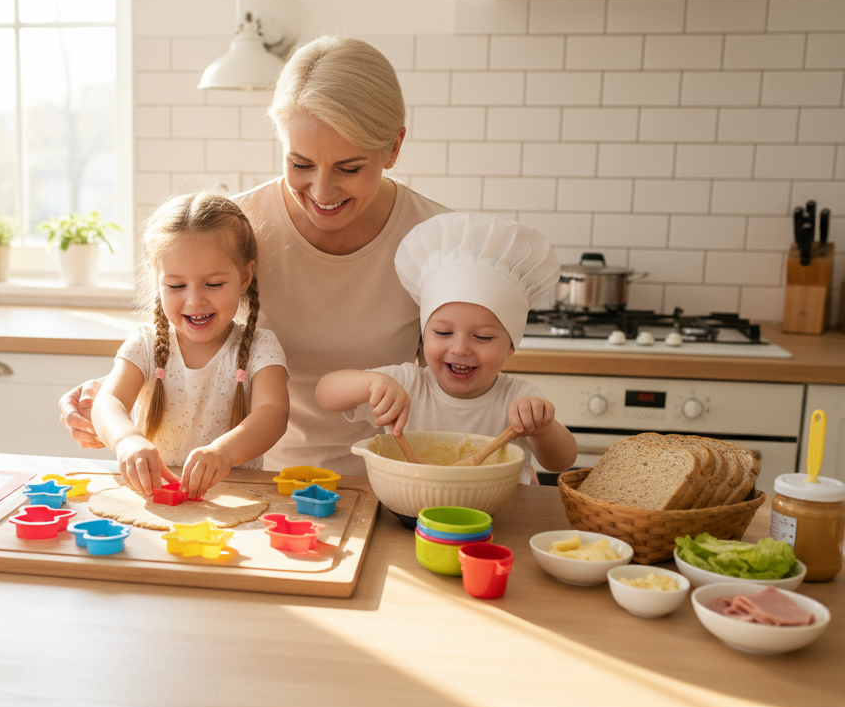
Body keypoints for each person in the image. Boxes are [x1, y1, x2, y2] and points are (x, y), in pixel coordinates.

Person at [61, 35, 451, 475]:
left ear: (394, 147)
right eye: (300, 164)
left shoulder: (437, 240)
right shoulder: (235, 230)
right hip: (264, 482)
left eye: (350, 168)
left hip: (396, 480)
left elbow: (460, 385)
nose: (322, 193)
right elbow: (189, 343)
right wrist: (107, 401)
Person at [315, 213, 577, 484]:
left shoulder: (519, 398)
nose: (460, 348)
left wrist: (544, 430)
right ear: (424, 335)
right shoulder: (407, 385)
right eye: (443, 332)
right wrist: (372, 382)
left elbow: (561, 462)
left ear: (511, 344)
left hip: (500, 521)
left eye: (483, 337)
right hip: (411, 514)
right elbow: (325, 392)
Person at [90, 193, 290, 498]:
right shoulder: (145, 344)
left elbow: (273, 413)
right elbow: (107, 403)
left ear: (245, 277)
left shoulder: (262, 347)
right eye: (176, 286)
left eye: (213, 284)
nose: (195, 300)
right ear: (157, 280)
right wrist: (127, 440)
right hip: (154, 495)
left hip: (235, 499)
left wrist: (223, 452)